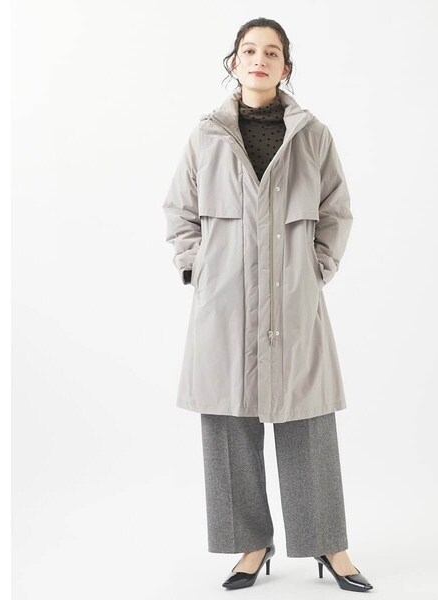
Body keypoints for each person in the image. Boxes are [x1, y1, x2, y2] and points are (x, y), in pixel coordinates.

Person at [163, 17, 373, 592]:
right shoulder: (206, 136)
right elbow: (180, 211)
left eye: (272, 52)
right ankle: (251, 544)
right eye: (249, 50)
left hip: (292, 303)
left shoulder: (312, 136)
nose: (259, 59)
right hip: (225, 305)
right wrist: (197, 267)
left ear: (286, 67)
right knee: (229, 420)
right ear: (233, 61)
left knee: (307, 418)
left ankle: (330, 545)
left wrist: (316, 269)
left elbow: (336, 212)